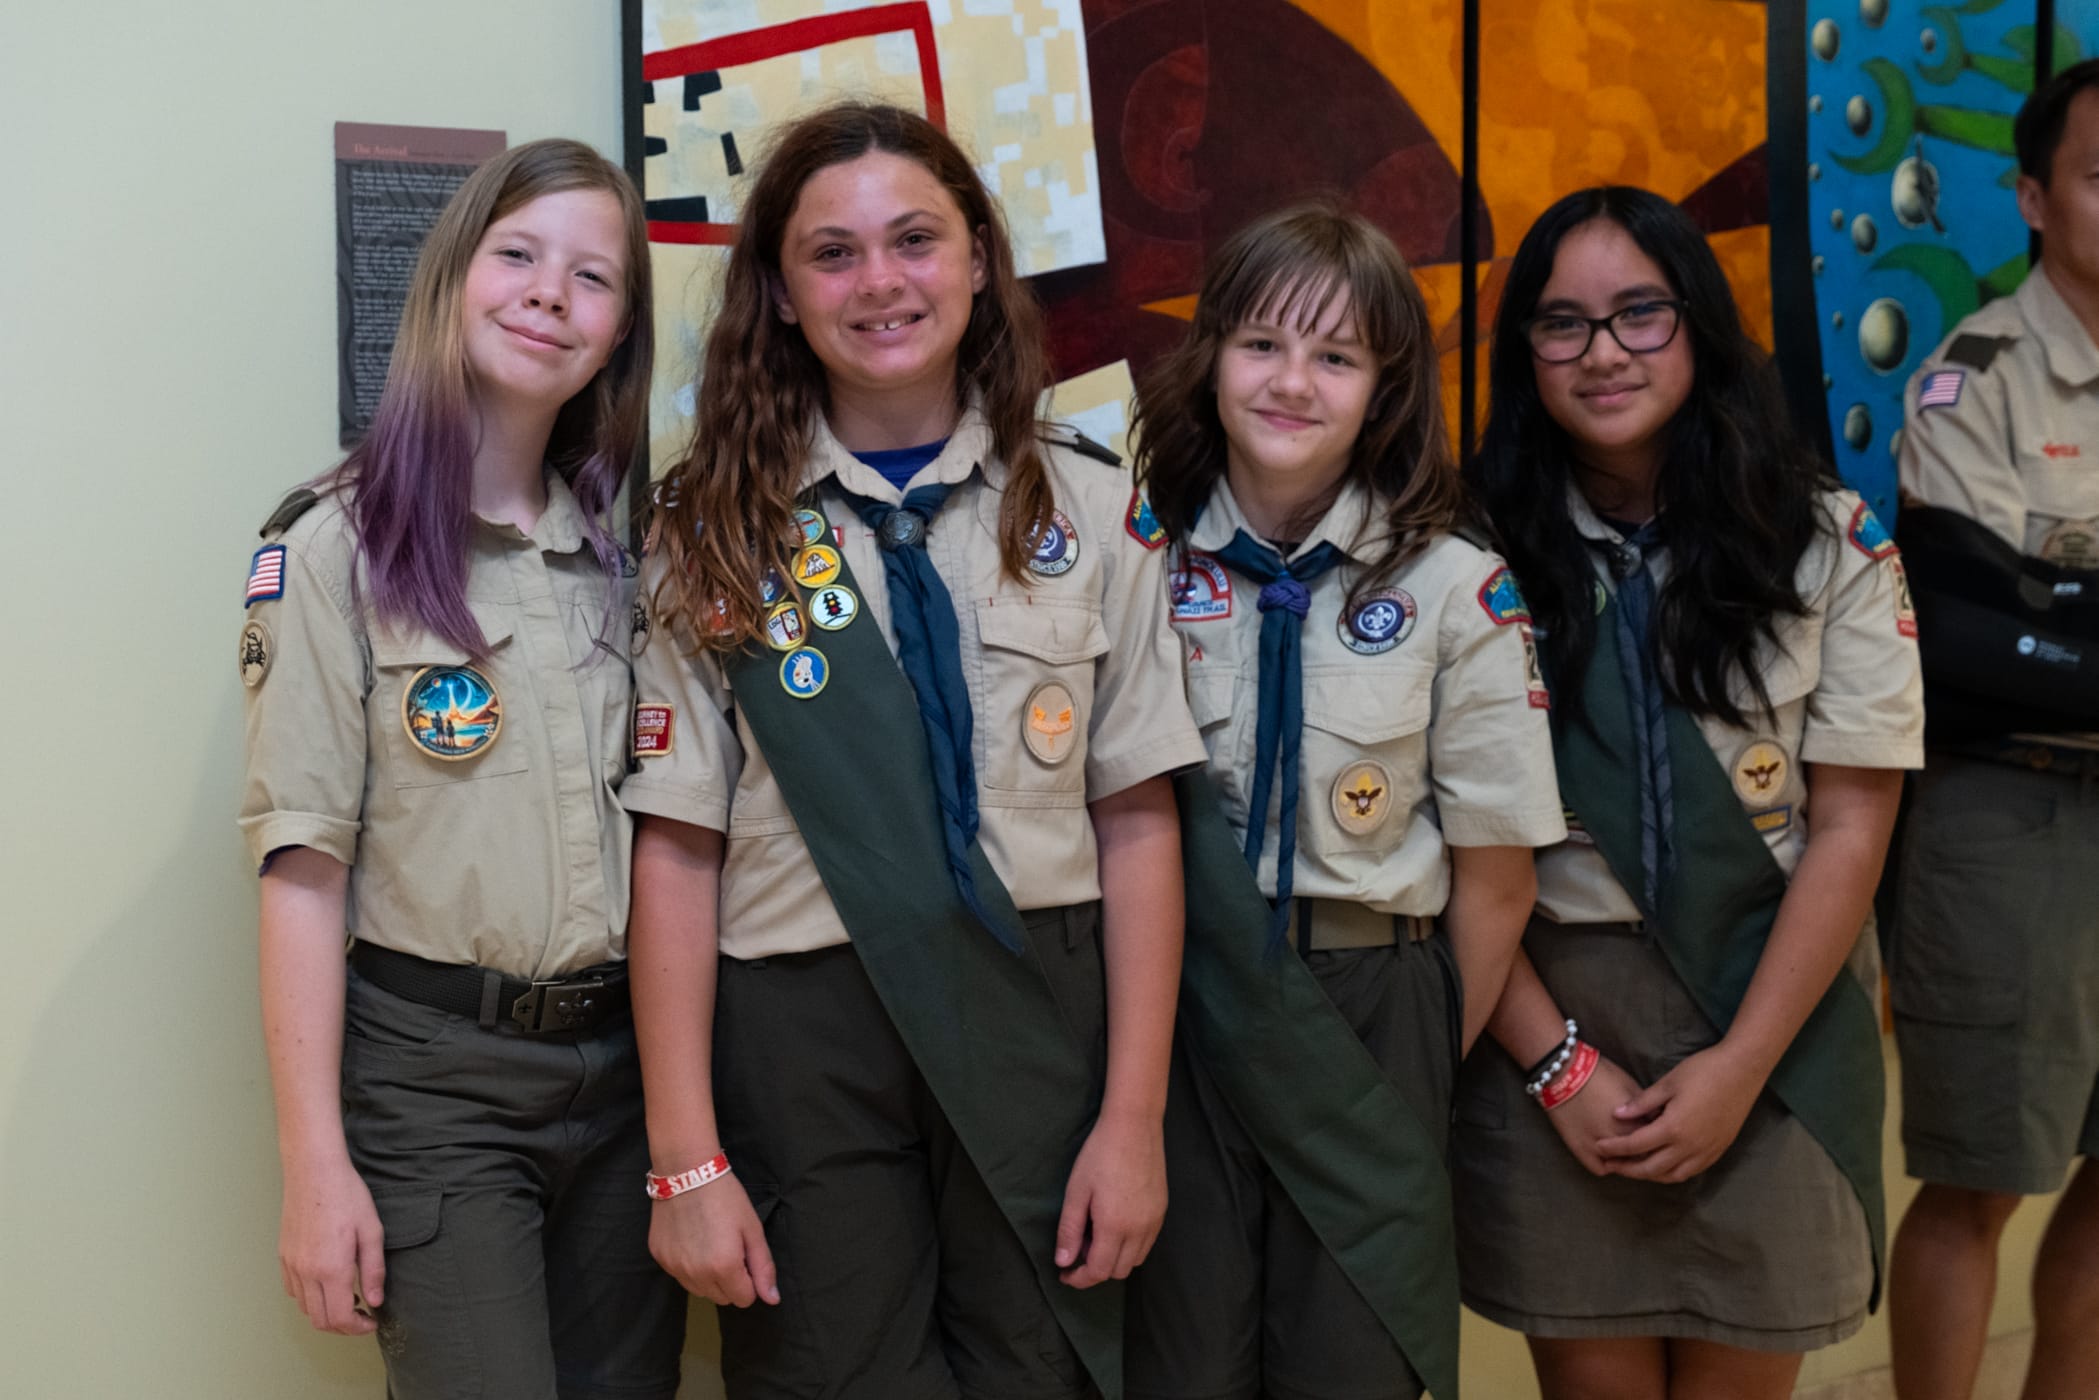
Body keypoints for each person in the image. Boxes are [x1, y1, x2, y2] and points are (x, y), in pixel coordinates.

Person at [620, 101, 1203, 1400]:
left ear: (978, 260)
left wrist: (1133, 1118)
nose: (879, 281)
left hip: (1036, 1004)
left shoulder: (1089, 507)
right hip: (802, 1032)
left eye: (915, 240)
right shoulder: (712, 531)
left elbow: (1136, 820)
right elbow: (676, 848)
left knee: (1039, 1375)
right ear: (779, 293)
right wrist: (685, 1158)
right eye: (832, 253)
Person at [1455, 186, 1923, 1400]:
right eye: (1560, 323)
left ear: (1698, 323)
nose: (1601, 351)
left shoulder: (1825, 542)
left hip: (1771, 1007)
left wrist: (1741, 1063)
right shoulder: (1464, 553)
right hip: (1550, 1013)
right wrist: (1558, 1066)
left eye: (1638, 312)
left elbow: (1852, 823)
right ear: (1522, 353)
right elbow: (1442, 850)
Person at [238, 140, 685, 1398]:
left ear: (617, 333)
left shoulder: (629, 564)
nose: (550, 292)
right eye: (519, 255)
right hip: (438, 1085)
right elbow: (300, 874)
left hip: (624, 1078)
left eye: (593, 277)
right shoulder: (334, 549)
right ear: (450, 278)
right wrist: (314, 1166)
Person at [1121, 201, 1563, 1400]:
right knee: (1180, 1352)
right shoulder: (1137, 559)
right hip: (1182, 996)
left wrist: (1407, 1061)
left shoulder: (1455, 586)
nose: (1290, 381)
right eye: (1261, 343)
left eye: (1335, 356)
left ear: (1385, 389)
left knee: (1350, 1358)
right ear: (1210, 355)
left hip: (1375, 1002)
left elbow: (1498, 875)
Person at [1887, 58, 2099, 1400]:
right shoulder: (1975, 382)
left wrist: (2060, 610)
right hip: (2010, 809)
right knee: (1979, 1178)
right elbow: (1961, 636)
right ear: (2031, 197)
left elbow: (2041, 617)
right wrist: (2045, 632)